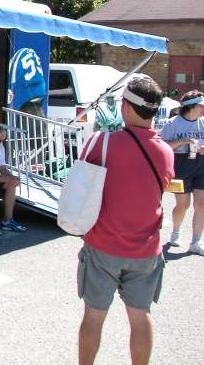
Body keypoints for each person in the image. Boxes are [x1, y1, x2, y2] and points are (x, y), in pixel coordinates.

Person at [76, 75, 174, 365]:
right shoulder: (166, 152)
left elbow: (81, 178)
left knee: (93, 316)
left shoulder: (101, 143)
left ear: (128, 107)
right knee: (140, 316)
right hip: (146, 250)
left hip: (102, 245)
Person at [160, 89, 204, 254]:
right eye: (200, 106)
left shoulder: (203, 122)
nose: (202, 109)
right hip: (181, 166)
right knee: (183, 205)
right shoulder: (172, 123)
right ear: (191, 106)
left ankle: (196, 242)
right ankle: (176, 233)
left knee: (201, 204)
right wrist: (183, 141)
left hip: (201, 166)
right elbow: (163, 147)